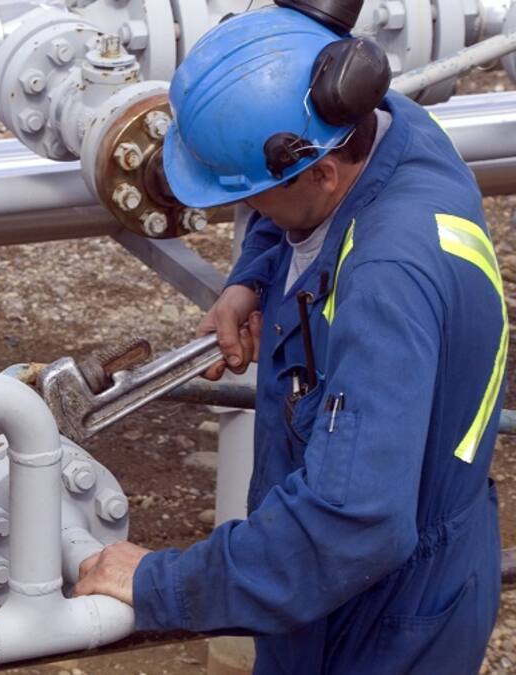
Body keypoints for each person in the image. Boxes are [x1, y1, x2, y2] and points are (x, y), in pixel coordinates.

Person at [73, 4, 505, 674]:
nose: (245, 210)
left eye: (251, 196)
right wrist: (254, 277)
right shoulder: (384, 128)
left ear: (320, 174)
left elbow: (353, 521)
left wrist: (161, 583)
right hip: (349, 582)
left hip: (386, 620)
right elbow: (293, 211)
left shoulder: (386, 282)